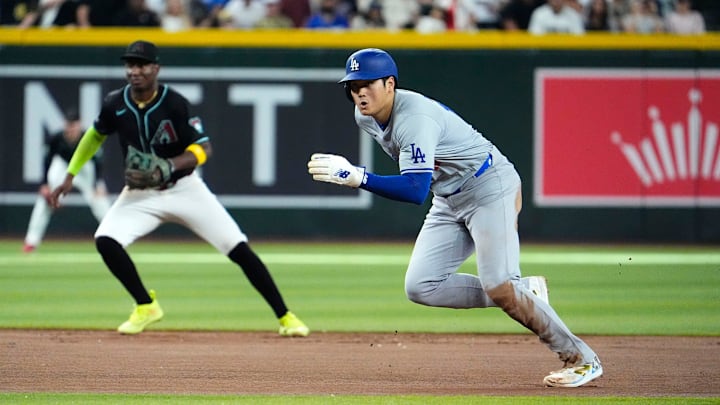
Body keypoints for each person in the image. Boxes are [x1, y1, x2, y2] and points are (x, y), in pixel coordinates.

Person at [306, 48, 602, 388]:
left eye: (368, 83)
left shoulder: (415, 118)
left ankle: (581, 358)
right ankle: (522, 292)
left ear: (390, 84)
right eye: (353, 85)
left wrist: (360, 178)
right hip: (448, 197)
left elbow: (415, 190)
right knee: (422, 286)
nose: (359, 92)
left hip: (490, 186)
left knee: (499, 283)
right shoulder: (365, 116)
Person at [49, 40, 309, 338]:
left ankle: (286, 316)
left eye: (142, 64)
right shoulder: (114, 103)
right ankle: (145, 305)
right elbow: (94, 137)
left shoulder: (174, 103)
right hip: (140, 195)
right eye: (130, 65)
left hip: (185, 189)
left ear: (156, 68)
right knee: (106, 240)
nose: (135, 71)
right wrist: (70, 175)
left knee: (238, 248)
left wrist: (171, 165)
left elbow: (203, 148)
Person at [23, 107, 111, 253]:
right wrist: (45, 184)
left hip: (84, 168)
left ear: (79, 125)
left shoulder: (87, 137)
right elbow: (47, 160)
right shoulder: (56, 138)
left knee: (99, 201)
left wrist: (98, 184)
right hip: (62, 168)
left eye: (73, 125)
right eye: (68, 125)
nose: (70, 129)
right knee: (45, 199)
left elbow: (97, 162)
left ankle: (114, 236)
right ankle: (31, 241)